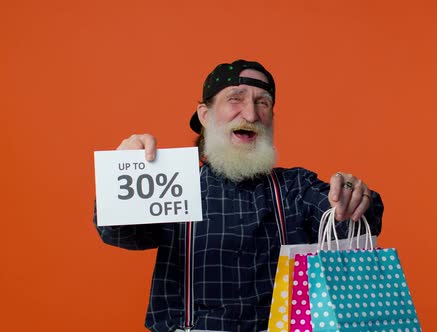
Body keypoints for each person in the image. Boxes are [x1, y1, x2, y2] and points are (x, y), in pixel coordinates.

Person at [94, 59, 384, 332]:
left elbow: (347, 222)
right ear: (204, 115)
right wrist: (123, 173)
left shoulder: (296, 187)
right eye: (236, 99)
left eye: (263, 103)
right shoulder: (174, 184)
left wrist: (352, 195)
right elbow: (118, 232)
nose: (251, 114)